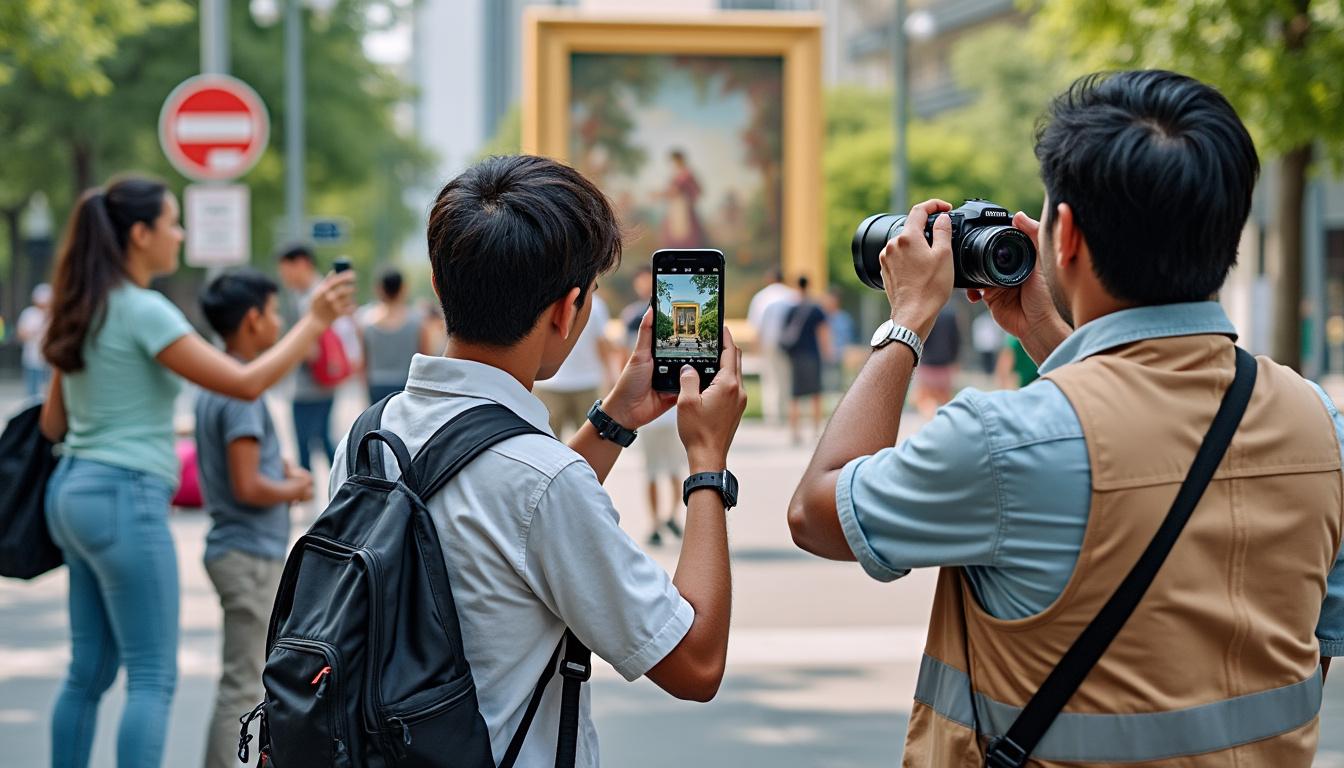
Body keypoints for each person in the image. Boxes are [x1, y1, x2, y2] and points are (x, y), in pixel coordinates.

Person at [788, 70, 1342, 764]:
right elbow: (1312, 644)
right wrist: (1050, 336)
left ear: (1066, 234)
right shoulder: (1320, 426)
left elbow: (816, 512)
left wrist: (906, 322)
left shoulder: (998, 443)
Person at [328, 155, 746, 765]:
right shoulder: (541, 483)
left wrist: (613, 420)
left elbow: (507, 505)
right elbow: (696, 664)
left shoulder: (369, 436)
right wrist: (707, 461)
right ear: (565, 309)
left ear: (441, 286)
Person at [36, 175, 354, 768]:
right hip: (123, 496)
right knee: (152, 676)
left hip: (71, 493)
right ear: (139, 234)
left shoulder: (81, 308)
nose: (178, 234)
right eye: (172, 222)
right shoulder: (141, 309)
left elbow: (55, 424)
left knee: (87, 673)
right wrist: (313, 321)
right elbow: (245, 381)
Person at [194, 270, 315, 768]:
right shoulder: (241, 390)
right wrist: (296, 486)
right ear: (251, 320)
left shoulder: (217, 379)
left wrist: (277, 468)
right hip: (248, 553)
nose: (278, 320)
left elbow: (242, 465)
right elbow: (247, 485)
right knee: (244, 685)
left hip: (237, 549)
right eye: (271, 311)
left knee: (239, 680)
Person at [621, 266, 685, 546]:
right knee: (651, 470)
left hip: (670, 408)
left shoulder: (673, 316)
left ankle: (671, 515)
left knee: (672, 469)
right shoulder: (632, 318)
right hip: (648, 409)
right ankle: (656, 521)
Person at [276, 244, 339, 474]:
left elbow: (311, 349)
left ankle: (316, 496)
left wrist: (283, 354)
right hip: (323, 382)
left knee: (309, 445)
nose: (284, 277)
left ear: (301, 263)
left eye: (285, 270)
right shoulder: (316, 293)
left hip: (310, 385)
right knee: (321, 439)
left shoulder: (313, 298)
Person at [532, 289, 619, 438]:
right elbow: (602, 344)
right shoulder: (595, 305)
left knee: (548, 440)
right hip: (555, 386)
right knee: (589, 439)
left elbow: (601, 344)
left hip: (580, 383)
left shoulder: (596, 306)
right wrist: (611, 375)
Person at [780, 276, 831, 444]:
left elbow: (785, 332)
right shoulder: (816, 309)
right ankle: (816, 430)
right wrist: (827, 353)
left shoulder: (791, 309)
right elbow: (823, 332)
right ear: (809, 286)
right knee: (815, 394)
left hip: (795, 356)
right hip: (812, 355)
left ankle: (795, 432)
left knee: (795, 395)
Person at [361, 268, 422, 403]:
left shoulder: (367, 323)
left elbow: (364, 361)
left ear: (379, 289)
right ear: (403, 288)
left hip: (376, 383)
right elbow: (424, 355)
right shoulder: (416, 322)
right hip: (407, 383)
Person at [746, 268, 797, 425]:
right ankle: (788, 414)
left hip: (768, 342)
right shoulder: (792, 296)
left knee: (770, 379)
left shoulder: (761, 297)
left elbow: (756, 326)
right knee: (787, 378)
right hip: (789, 344)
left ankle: (772, 417)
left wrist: (755, 348)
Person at [911, 304, 960, 419]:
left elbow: (920, 338)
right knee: (945, 399)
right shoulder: (951, 314)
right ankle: (943, 423)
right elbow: (956, 339)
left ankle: (930, 421)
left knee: (924, 398)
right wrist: (955, 359)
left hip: (927, 363)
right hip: (945, 364)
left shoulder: (924, 311)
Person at [660, 149, 708, 249]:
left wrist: (687, 196)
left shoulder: (686, 173)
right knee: (673, 233)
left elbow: (696, 190)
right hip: (675, 207)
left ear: (680, 160)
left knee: (687, 232)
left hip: (683, 206)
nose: (674, 163)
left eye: (675, 160)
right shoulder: (677, 173)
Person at [17, 282, 52, 397]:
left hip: (49, 359)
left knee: (47, 391)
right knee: (32, 392)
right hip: (31, 357)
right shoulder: (29, 313)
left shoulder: (53, 315)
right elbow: (21, 333)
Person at [821, 286, 855, 393]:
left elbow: (847, 339)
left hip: (839, 356)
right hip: (823, 355)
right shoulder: (821, 317)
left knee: (837, 385)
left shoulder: (844, 318)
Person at [971, 309, 1004, 376]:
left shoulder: (984, 321)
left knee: (990, 360)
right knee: (986, 360)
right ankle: (987, 372)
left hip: (988, 345)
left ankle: (989, 372)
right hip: (985, 345)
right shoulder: (981, 321)